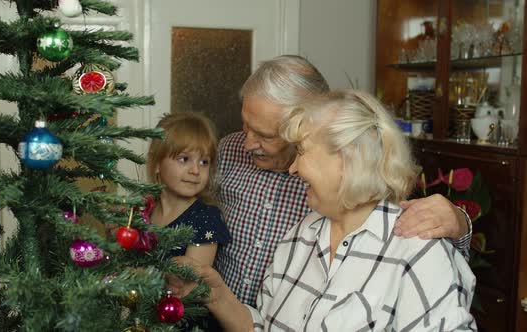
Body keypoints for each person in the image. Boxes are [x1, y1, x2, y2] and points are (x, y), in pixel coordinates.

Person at [176, 90, 476, 331]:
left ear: (347, 158)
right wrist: (215, 294)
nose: (292, 168)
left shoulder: (417, 248)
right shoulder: (300, 235)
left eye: (302, 152)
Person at [214, 55, 472, 308]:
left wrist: (458, 224)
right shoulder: (228, 150)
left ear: (308, 125)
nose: (247, 143)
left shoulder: (345, 185)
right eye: (246, 125)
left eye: (265, 135)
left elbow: (403, 245)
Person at [146, 112, 230, 265]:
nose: (196, 170)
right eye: (184, 159)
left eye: (204, 162)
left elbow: (190, 284)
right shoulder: (145, 209)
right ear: (157, 163)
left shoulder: (205, 218)